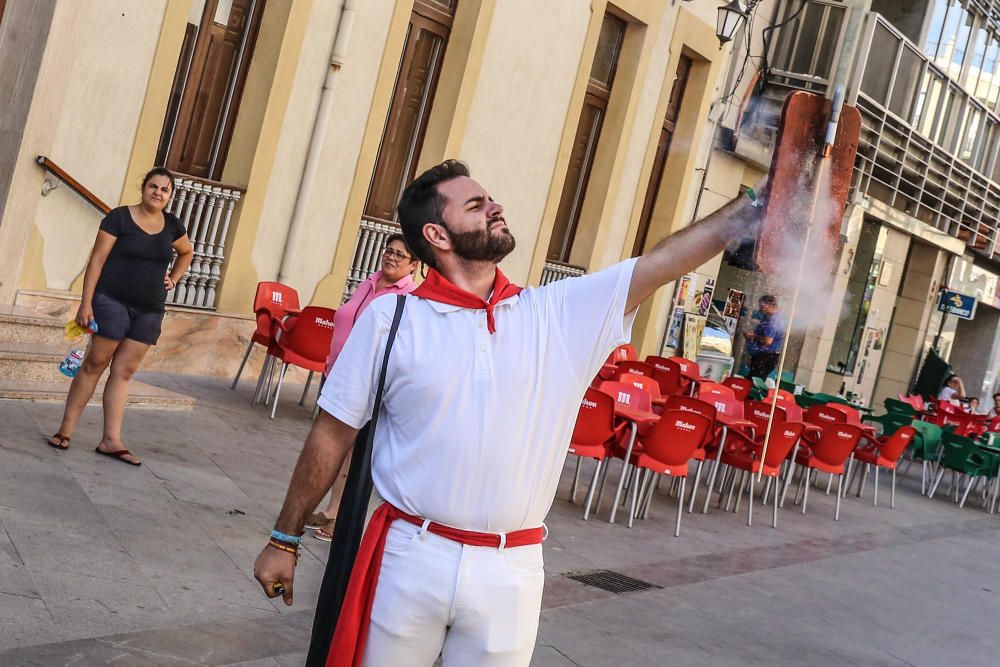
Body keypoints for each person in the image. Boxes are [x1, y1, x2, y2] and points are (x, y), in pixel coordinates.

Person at [253, 160, 758, 666]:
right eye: (475, 204)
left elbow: (663, 262)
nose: (495, 207)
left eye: (489, 198)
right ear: (437, 234)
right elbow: (332, 432)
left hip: (511, 569)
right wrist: (285, 536)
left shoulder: (553, 314)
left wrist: (755, 203)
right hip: (410, 554)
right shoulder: (392, 318)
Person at [46, 167, 193, 466]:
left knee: (124, 372)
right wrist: (85, 304)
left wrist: (174, 278)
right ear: (143, 188)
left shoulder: (173, 227)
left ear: (170, 196)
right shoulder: (119, 218)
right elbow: (97, 260)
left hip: (149, 309)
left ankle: (111, 440)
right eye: (153, 186)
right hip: (111, 300)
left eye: (165, 190)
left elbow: (187, 252)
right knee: (95, 363)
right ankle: (65, 430)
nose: (158, 193)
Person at [305, 233, 419, 541]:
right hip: (335, 373)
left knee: (352, 451)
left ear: (414, 265)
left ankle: (341, 520)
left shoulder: (407, 298)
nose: (391, 258)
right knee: (333, 447)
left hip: (364, 383)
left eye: (400, 255)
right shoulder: (368, 283)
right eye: (389, 251)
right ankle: (330, 510)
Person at [744, 294, 784, 379]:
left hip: (765, 357)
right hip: (763, 356)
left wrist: (753, 336)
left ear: (770, 305)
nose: (760, 309)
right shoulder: (770, 317)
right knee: (752, 379)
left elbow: (767, 341)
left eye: (762, 306)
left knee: (753, 381)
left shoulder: (773, 321)